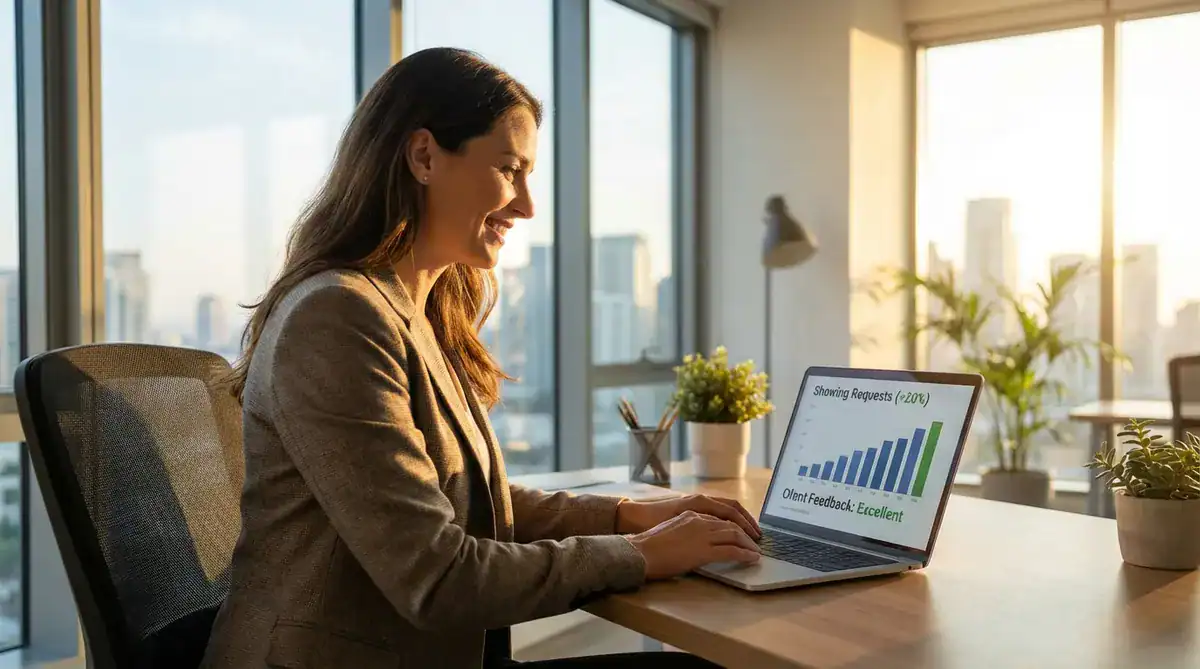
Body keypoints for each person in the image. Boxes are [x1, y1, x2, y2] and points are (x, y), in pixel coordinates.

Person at [200, 47, 762, 669]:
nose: (525, 205)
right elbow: (437, 577)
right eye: (508, 169)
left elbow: (470, 498)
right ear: (424, 156)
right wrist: (643, 554)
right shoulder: (335, 317)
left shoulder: (415, 311)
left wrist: (632, 516)